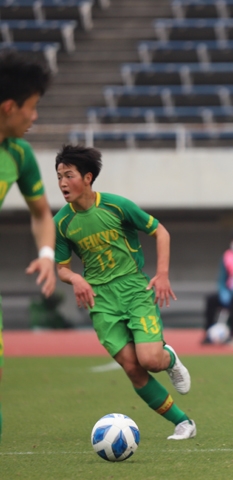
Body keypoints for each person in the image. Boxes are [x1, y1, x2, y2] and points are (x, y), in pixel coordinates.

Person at [53, 145, 196, 440]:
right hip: (100, 301)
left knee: (150, 361)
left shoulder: (117, 206)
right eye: (59, 177)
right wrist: (76, 280)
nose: (63, 183)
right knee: (132, 367)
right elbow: (62, 268)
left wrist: (163, 274)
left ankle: (168, 358)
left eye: (69, 175)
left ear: (88, 177)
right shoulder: (61, 223)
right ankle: (183, 423)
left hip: (134, 289)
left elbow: (160, 231)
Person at [0, 52, 57, 442]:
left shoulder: (18, 155)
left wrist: (47, 256)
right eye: (32, 108)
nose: (34, 117)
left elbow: (41, 213)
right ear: (8, 107)